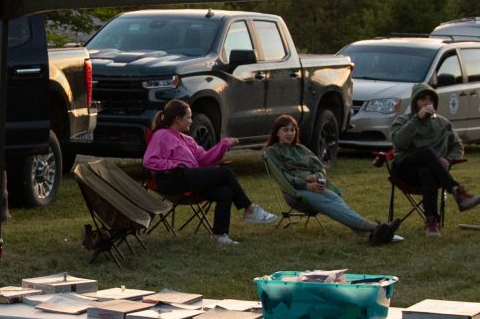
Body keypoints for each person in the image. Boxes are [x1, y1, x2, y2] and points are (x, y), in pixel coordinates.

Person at [143, 99, 277, 247]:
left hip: (190, 179)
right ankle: (250, 209)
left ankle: (220, 235)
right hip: (171, 180)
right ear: (177, 119)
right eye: (188, 117)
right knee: (225, 173)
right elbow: (149, 161)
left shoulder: (187, 140)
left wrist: (224, 144)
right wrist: (174, 165)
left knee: (225, 192)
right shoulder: (162, 135)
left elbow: (205, 159)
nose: (191, 120)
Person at [261, 114, 400, 245]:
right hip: (295, 192)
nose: (290, 133)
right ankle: (375, 226)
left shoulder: (301, 149)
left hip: (316, 186)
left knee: (335, 199)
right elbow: (284, 177)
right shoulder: (272, 152)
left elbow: (320, 167)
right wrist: (305, 183)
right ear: (277, 133)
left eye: (292, 130)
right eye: (285, 130)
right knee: (330, 202)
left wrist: (317, 177)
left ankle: (373, 234)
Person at [387, 87, 479, 235]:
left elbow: (457, 145)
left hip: (433, 174)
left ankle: (431, 222)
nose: (427, 103)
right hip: (405, 170)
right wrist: (417, 118)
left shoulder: (442, 124)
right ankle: (456, 190)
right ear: (414, 102)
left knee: (426, 171)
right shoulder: (403, 120)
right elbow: (399, 142)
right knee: (427, 153)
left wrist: (448, 159)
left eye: (430, 100)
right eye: (423, 99)